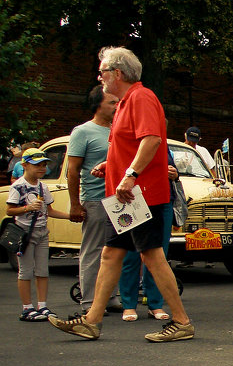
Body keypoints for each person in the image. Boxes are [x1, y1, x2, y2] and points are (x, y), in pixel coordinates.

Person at [49, 46, 194, 342]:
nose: (100, 77)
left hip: (140, 195)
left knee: (151, 255)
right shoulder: (128, 101)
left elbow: (152, 139)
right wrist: (111, 164)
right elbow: (131, 144)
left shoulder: (141, 97)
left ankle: (181, 322)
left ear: (117, 73)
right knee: (111, 254)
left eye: (102, 72)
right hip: (128, 198)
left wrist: (129, 175)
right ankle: (92, 320)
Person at [67, 86, 121, 314]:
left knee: (117, 249)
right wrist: (75, 204)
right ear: (97, 105)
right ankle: (89, 300)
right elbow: (73, 170)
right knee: (93, 250)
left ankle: (112, 297)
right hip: (95, 199)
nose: (116, 106)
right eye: (112, 102)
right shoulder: (82, 132)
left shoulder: (117, 130)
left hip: (119, 199)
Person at [7, 148, 71, 320]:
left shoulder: (43, 187)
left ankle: (42, 306)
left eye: (44, 165)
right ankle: (26, 307)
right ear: (25, 165)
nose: (41, 169)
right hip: (26, 234)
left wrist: (71, 216)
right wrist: (27, 208)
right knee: (25, 271)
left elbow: (49, 210)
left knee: (43, 271)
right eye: (37, 165)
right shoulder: (18, 186)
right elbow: (9, 210)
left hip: (42, 232)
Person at [116, 151, 180, 320]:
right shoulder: (134, 145)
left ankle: (156, 304)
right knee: (132, 254)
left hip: (163, 201)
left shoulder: (166, 148)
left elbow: (172, 172)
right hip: (136, 199)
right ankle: (128, 304)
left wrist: (174, 174)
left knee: (159, 255)